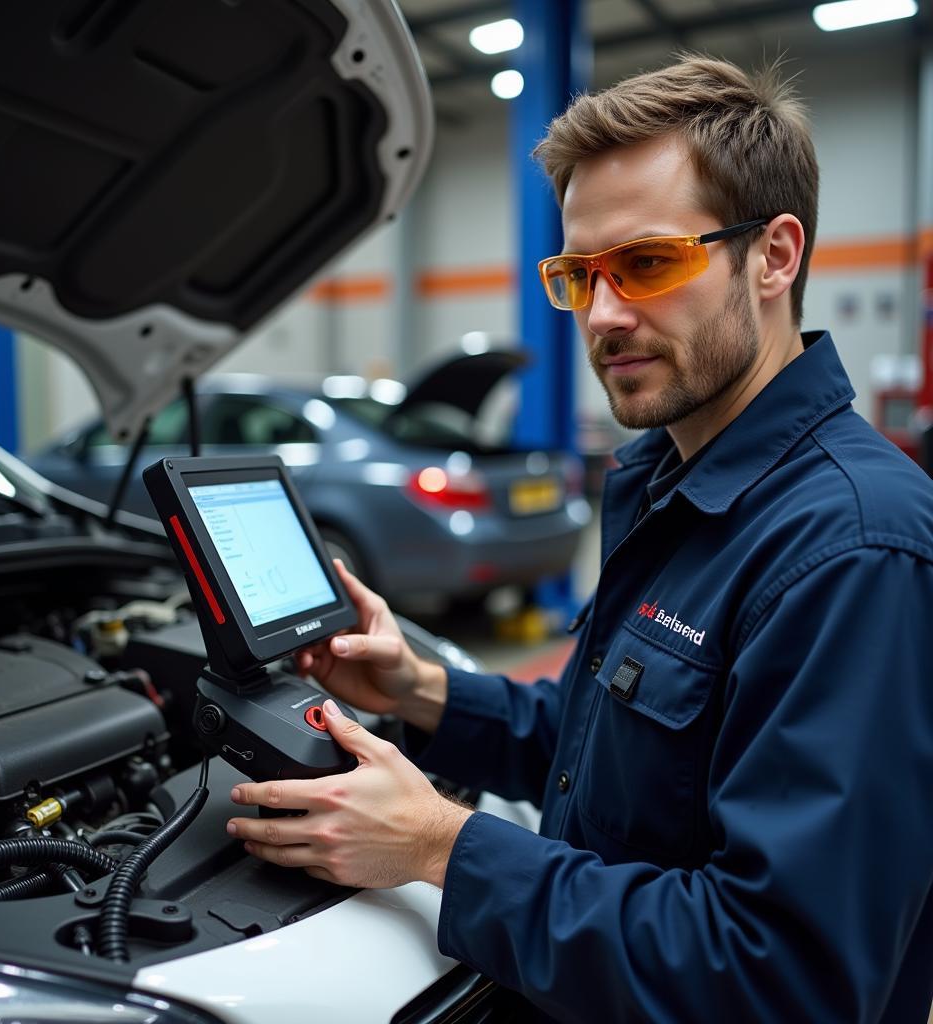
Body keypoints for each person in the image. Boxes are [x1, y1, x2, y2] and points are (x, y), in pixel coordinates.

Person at [226, 56, 933, 1022]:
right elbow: (602, 752)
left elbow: (784, 977)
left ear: (774, 256)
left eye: (647, 263)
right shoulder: (671, 483)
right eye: (579, 275)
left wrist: (442, 847)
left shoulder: (852, 549)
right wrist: (422, 690)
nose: (603, 316)